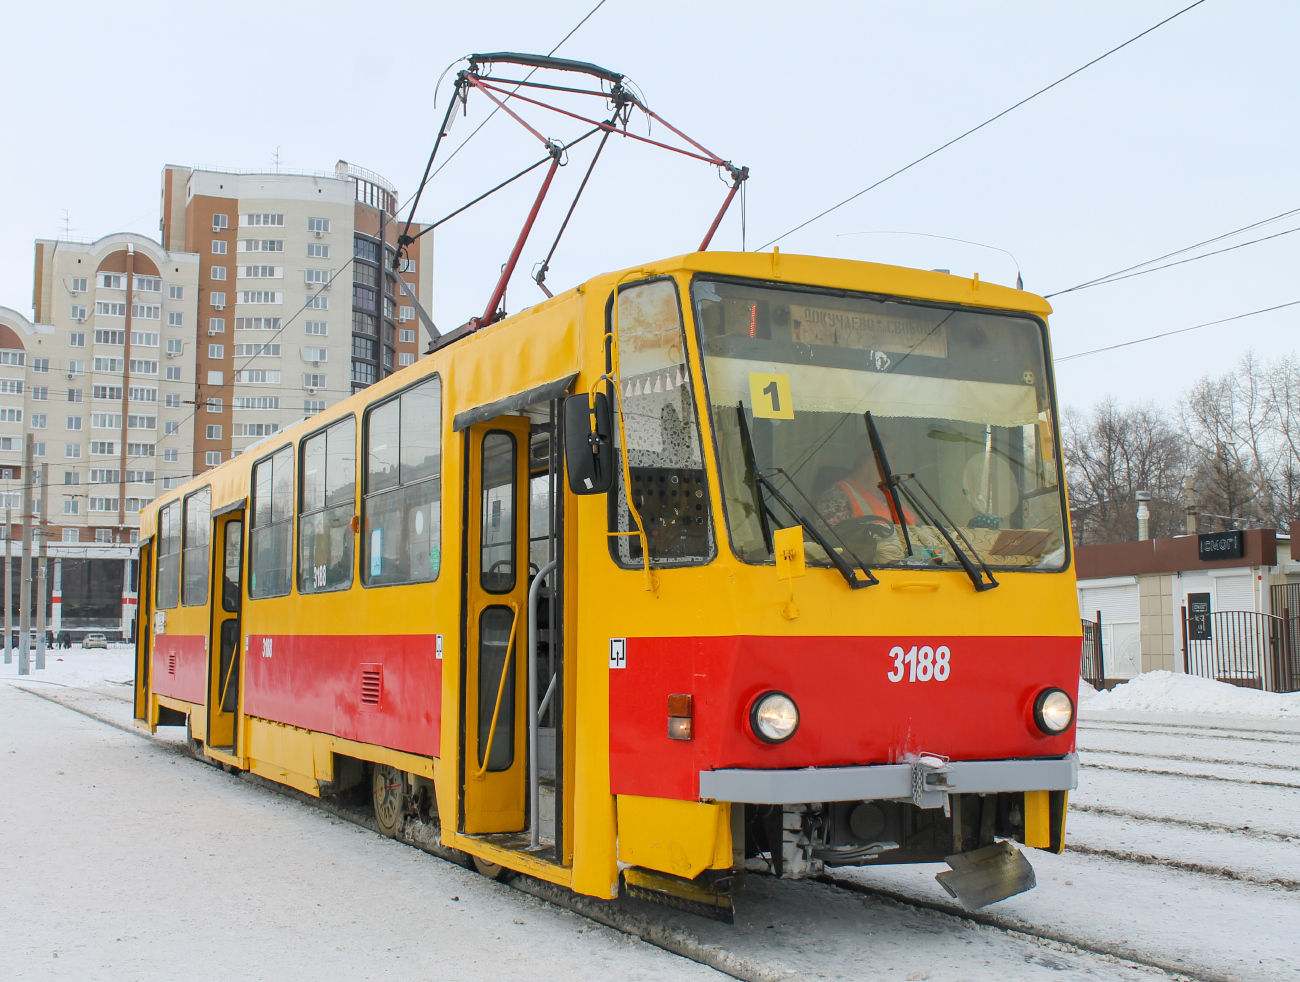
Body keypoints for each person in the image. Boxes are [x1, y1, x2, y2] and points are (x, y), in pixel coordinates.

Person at [818, 435, 917, 529]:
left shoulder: (891, 494)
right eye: (892, 457)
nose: (895, 464)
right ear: (876, 457)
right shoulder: (836, 494)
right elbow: (833, 541)